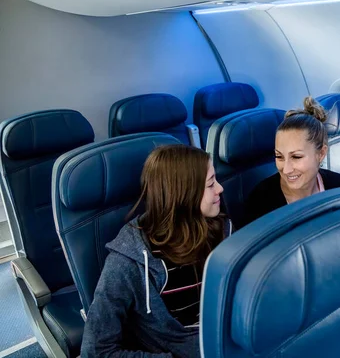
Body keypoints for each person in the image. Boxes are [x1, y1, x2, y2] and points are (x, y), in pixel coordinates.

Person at [81, 145, 230, 357]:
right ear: (184, 195)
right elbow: (96, 351)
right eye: (210, 184)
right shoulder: (129, 261)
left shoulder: (222, 229)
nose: (220, 189)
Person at [242, 96, 340, 227]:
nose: (286, 169)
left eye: (296, 157)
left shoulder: (339, 186)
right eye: (279, 157)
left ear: (321, 154)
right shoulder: (260, 200)